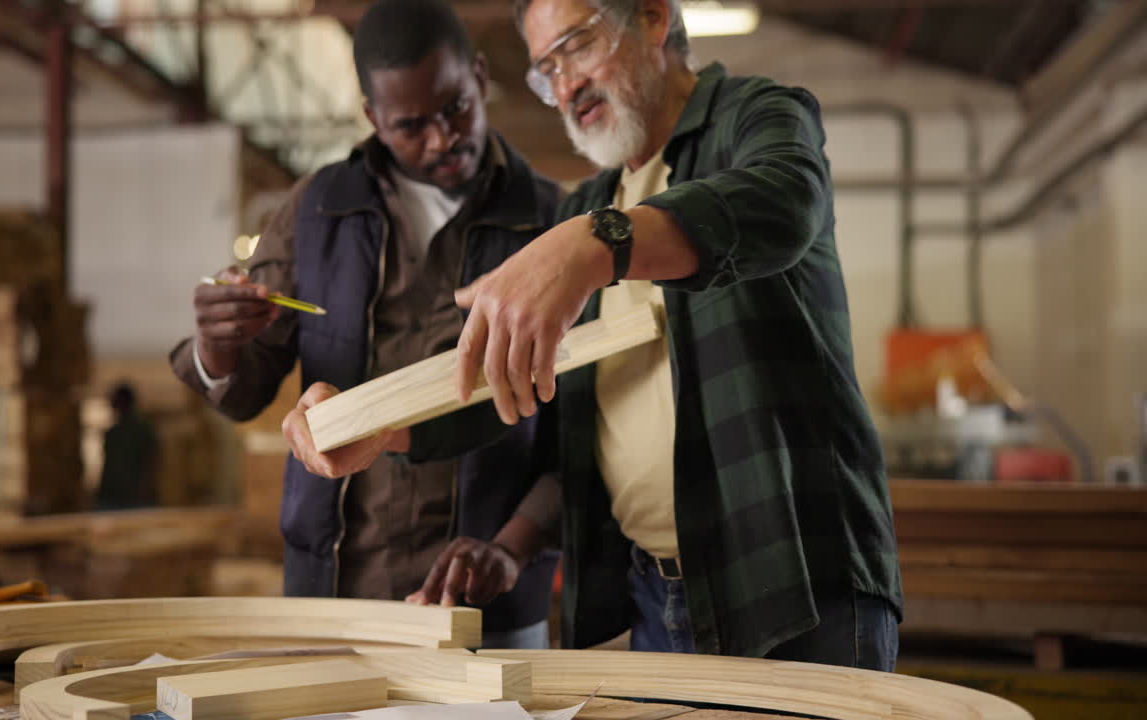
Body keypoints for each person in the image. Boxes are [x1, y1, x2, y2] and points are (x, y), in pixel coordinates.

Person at [286, 0, 902, 669]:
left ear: (654, 18)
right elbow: (499, 363)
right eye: (547, 68)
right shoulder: (588, 204)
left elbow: (784, 201)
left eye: (578, 46)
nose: (566, 84)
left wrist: (599, 245)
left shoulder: (755, 118)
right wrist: (376, 424)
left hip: (792, 577)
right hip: (653, 595)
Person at [169, 0, 562, 649]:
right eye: (411, 125)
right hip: (333, 597)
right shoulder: (317, 210)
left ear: (482, 76)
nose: (442, 138)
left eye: (456, 107)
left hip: (488, 606)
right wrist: (218, 344)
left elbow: (576, 433)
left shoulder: (551, 222)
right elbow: (245, 395)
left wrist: (512, 550)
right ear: (372, 118)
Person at [94, 382, 159, 510]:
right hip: (113, 497)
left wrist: (144, 488)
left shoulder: (141, 431)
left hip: (132, 498)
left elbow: (151, 461)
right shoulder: (113, 433)